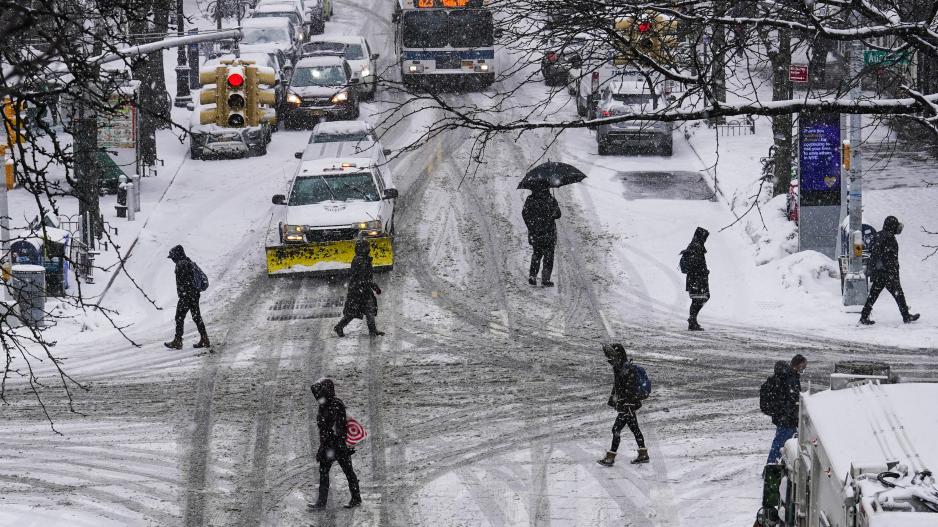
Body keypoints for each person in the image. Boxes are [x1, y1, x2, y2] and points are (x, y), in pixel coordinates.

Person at [309, 379, 362, 509]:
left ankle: (354, 498)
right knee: (329, 473)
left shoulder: (334, 404)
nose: (318, 396)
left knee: (345, 471)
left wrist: (332, 441)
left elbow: (338, 427)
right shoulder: (325, 404)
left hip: (335, 445)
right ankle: (353, 498)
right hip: (332, 445)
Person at [860, 215, 920, 325]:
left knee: (873, 295)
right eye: (896, 225)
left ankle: (864, 316)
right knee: (898, 294)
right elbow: (881, 257)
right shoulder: (887, 238)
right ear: (892, 226)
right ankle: (906, 316)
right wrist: (888, 271)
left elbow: (876, 255)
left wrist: (880, 270)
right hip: (887, 274)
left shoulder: (880, 236)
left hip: (882, 273)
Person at [597, 343, 648, 467]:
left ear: (618, 356)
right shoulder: (619, 367)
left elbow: (629, 388)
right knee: (634, 429)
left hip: (627, 406)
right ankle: (643, 454)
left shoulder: (626, 369)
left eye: (612, 356)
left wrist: (628, 404)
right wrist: (614, 400)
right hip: (626, 405)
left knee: (616, 430)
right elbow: (618, 387)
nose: (610, 359)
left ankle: (610, 458)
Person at [334, 238, 385, 337]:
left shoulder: (362, 259)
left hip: (361, 289)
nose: (368, 249)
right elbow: (364, 278)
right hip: (359, 290)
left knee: (367, 310)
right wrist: (375, 287)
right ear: (361, 249)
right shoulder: (361, 261)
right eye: (366, 247)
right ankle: (339, 327)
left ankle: (373, 330)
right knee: (354, 312)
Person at [164, 245, 209, 349]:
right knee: (196, 317)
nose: (172, 260)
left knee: (179, 317)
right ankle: (204, 338)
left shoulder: (181, 264)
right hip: (194, 294)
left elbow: (185, 282)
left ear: (176, 255)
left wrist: (184, 294)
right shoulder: (188, 261)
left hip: (187, 296)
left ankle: (178, 341)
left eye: (173, 257)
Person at [765, 354, 806, 464]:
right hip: (787, 418)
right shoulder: (790, 378)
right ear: (797, 364)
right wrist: (792, 413)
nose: (803, 369)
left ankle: (775, 465)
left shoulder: (789, 376)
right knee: (781, 443)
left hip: (784, 417)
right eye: (803, 366)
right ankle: (771, 466)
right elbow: (791, 399)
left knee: (782, 443)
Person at [522, 187, 562, 287]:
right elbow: (558, 215)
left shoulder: (530, 199)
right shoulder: (550, 199)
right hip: (549, 233)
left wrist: (531, 226)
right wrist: (554, 209)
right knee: (548, 256)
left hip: (536, 234)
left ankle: (532, 276)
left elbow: (524, 214)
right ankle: (545, 279)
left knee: (536, 254)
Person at [680, 227, 710, 331]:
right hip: (697, 279)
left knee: (698, 299)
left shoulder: (695, 245)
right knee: (700, 298)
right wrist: (703, 271)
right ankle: (692, 320)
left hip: (696, 278)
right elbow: (695, 263)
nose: (705, 239)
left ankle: (692, 320)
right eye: (705, 236)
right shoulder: (696, 246)